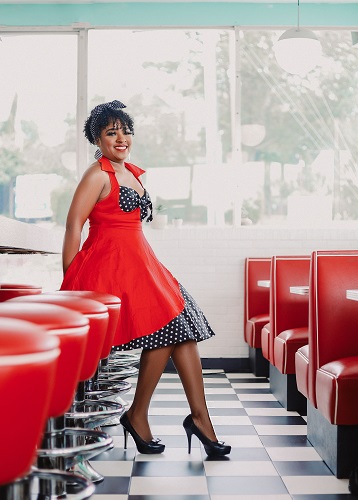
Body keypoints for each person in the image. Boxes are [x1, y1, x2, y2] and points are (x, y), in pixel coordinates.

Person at [60, 100, 231, 457]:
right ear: (98, 138)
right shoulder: (97, 174)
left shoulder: (133, 173)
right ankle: (144, 415)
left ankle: (195, 418)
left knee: (182, 328)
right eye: (111, 132)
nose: (120, 138)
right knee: (173, 326)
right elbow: (74, 224)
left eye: (125, 130)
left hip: (140, 263)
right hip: (112, 267)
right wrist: (70, 280)